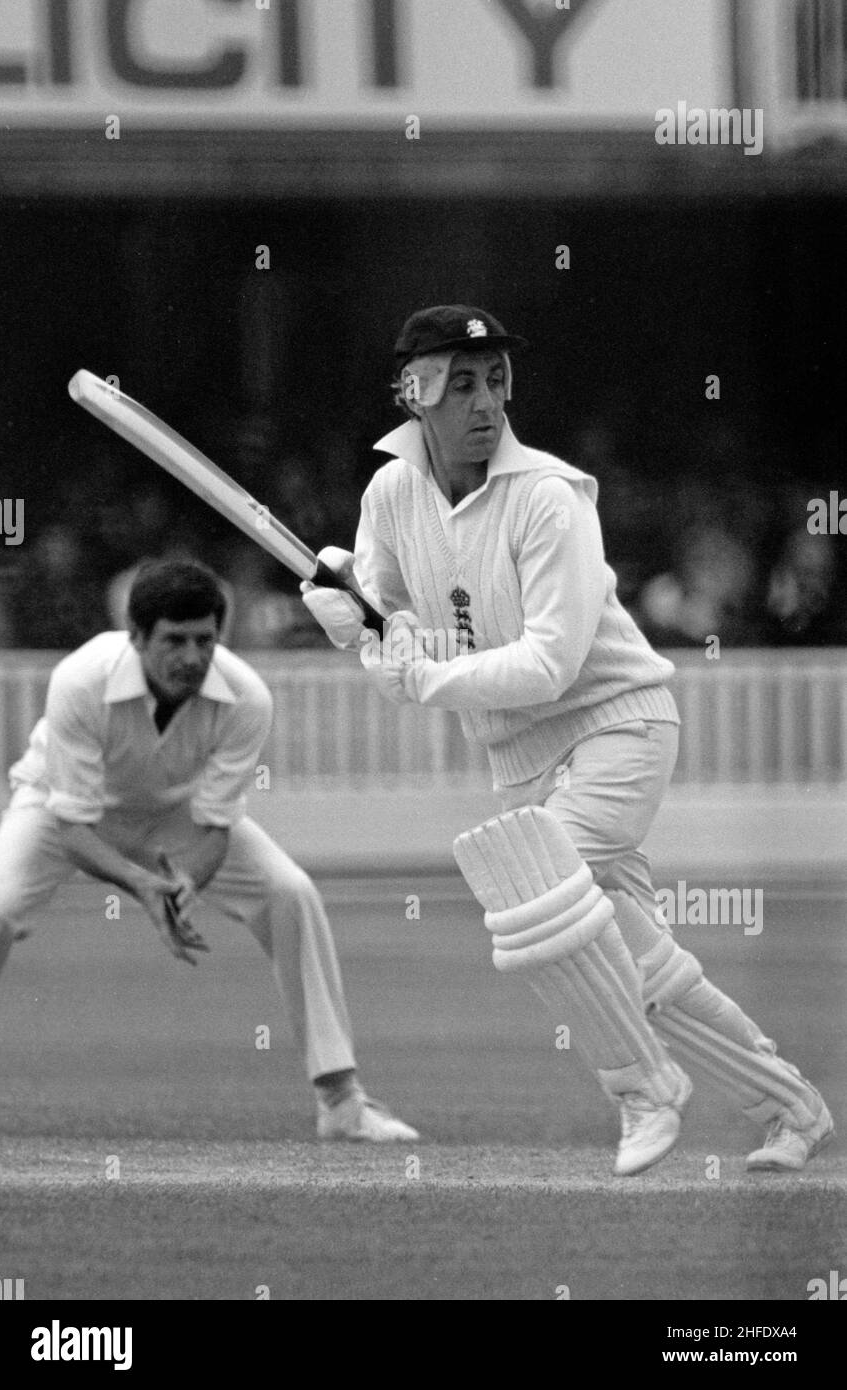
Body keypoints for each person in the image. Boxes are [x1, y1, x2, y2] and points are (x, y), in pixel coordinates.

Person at [302, 304, 833, 1176]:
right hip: (518, 755)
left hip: (617, 725)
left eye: (497, 380)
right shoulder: (389, 494)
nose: (487, 402)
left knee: (539, 890)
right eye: (462, 384)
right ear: (415, 393)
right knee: (635, 957)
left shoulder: (550, 498)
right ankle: (792, 1109)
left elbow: (549, 663)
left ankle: (643, 1088)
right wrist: (349, 621)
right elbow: (388, 625)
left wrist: (417, 672)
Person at [0, 558, 417, 1143]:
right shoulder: (79, 680)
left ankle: (341, 1101)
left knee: (291, 894)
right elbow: (72, 824)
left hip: (176, 817)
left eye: (205, 640)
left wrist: (184, 883)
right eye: (174, 641)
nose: (191, 657)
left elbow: (215, 825)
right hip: (59, 809)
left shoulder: (247, 699)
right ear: (135, 638)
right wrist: (143, 888)